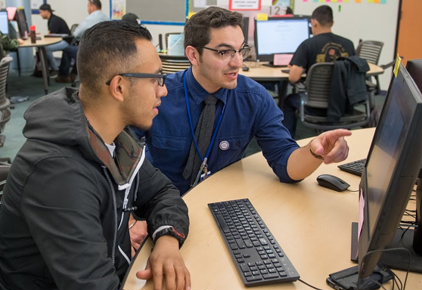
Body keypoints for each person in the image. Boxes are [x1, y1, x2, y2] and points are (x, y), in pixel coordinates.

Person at [0, 20, 313, 290]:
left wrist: (166, 237)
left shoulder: (114, 136)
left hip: (118, 272)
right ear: (119, 87)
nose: (164, 90)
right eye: (155, 79)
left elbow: (163, 193)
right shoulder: (59, 175)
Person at [136, 6, 351, 197]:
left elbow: (286, 165)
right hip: (159, 203)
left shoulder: (254, 99)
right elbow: (121, 157)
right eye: (224, 52)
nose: (238, 62)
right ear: (193, 55)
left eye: (241, 51)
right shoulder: (158, 94)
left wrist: (315, 151)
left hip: (220, 201)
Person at [282, 5, 356, 138]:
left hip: (314, 108)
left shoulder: (308, 44)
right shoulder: (348, 44)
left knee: (287, 101)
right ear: (332, 23)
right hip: (343, 105)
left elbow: (293, 78)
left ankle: (287, 142)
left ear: (314, 22)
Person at [55, 0, 109, 83]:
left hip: (90, 51)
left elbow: (76, 33)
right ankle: (73, 74)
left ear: (92, 6)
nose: (87, 9)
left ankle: (64, 76)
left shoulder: (91, 18)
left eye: (88, 6)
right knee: (79, 50)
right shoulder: (106, 18)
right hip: (104, 51)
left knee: (68, 49)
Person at [39, 3, 71, 75]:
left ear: (46, 11)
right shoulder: (52, 19)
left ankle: (55, 68)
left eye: (41, 12)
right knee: (44, 47)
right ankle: (50, 67)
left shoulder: (54, 21)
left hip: (66, 41)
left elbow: (50, 36)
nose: (40, 14)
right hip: (62, 40)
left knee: (46, 48)